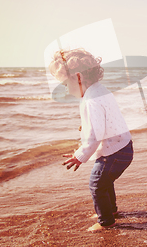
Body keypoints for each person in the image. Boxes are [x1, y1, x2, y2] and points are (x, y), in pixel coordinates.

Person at [49, 48, 133, 232]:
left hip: (114, 152)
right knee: (104, 181)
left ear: (78, 78)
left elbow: (95, 134)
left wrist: (80, 155)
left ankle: (106, 222)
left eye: (64, 84)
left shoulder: (91, 99)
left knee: (96, 183)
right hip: (122, 147)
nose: (65, 89)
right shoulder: (99, 91)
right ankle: (110, 211)